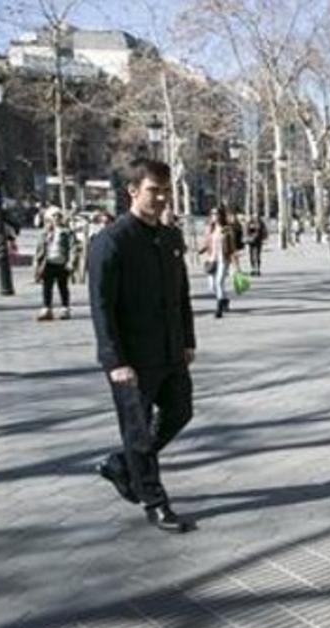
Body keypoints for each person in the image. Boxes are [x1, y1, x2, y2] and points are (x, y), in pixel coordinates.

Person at [88, 158, 196, 533]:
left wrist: (187, 340)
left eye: (166, 190)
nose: (162, 197)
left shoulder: (170, 238)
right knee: (137, 431)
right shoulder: (112, 241)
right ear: (133, 191)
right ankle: (154, 501)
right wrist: (114, 360)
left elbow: (181, 295)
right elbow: (101, 306)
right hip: (130, 358)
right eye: (154, 190)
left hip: (170, 350)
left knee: (180, 411)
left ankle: (122, 464)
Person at [33, 206, 75, 321]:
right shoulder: (45, 232)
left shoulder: (66, 232)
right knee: (47, 287)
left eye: (58, 216)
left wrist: (71, 261)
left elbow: (72, 248)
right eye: (54, 216)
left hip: (62, 263)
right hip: (48, 263)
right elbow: (39, 249)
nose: (56, 218)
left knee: (63, 287)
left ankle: (65, 308)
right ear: (49, 218)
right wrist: (36, 263)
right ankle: (47, 308)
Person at [200, 206, 240, 318]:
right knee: (212, 286)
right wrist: (200, 250)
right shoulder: (209, 229)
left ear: (221, 216)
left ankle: (219, 308)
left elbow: (232, 247)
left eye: (216, 214)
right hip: (211, 260)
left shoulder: (227, 229)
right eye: (212, 214)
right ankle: (225, 299)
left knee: (219, 282)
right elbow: (206, 243)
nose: (214, 216)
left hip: (224, 259)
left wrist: (236, 265)